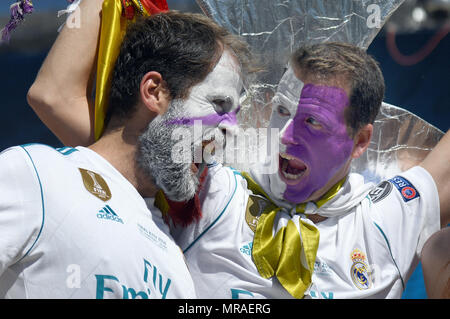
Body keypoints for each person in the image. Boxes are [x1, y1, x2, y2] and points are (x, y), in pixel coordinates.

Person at [1, 0, 251, 298]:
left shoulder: (177, 263)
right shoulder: (36, 175)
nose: (231, 128)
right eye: (219, 104)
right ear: (154, 92)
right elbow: (53, 95)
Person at [163, 42, 449, 299]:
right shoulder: (215, 190)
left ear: (359, 141)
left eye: (312, 121)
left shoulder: (386, 222)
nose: (285, 135)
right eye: (282, 111)